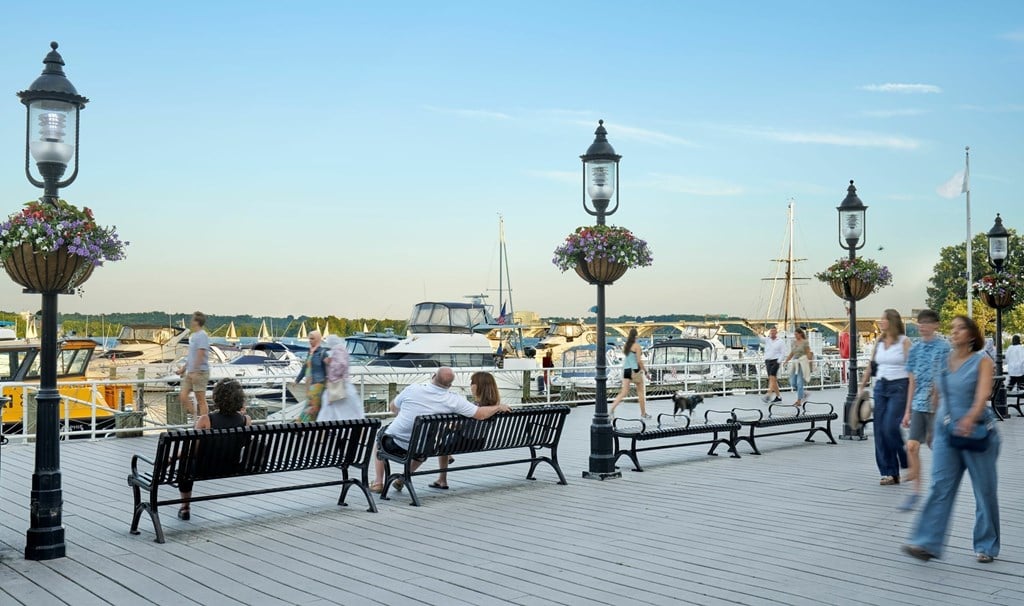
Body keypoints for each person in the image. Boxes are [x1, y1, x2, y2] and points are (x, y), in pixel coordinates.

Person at [903, 315, 1000, 563]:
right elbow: (937, 394)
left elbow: (982, 396)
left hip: (977, 433)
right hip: (946, 431)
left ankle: (986, 545)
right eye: (952, 328)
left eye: (960, 328)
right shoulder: (944, 361)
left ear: (971, 335)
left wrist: (970, 417)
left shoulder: (982, 363)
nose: (954, 332)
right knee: (940, 486)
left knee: (984, 491)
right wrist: (932, 430)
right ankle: (926, 542)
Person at [371, 367, 510, 493]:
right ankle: (403, 478)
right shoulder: (454, 400)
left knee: (380, 439)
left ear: (433, 376)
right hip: (421, 448)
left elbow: (393, 408)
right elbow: (479, 413)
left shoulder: (413, 389)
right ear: (450, 385)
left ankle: (378, 482)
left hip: (395, 444)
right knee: (424, 449)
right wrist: (498, 407)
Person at [177, 378, 252, 521]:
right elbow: (244, 443)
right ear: (239, 398)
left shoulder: (205, 420)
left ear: (216, 397)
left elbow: (192, 450)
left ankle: (185, 507)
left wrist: (172, 457)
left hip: (204, 469)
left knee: (185, 464)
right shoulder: (246, 420)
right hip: (233, 466)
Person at [899, 309, 950, 510]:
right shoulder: (915, 350)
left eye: (927, 322)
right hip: (919, 404)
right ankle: (916, 492)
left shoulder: (944, 348)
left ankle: (941, 487)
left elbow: (945, 378)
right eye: (920, 322)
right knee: (911, 446)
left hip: (938, 406)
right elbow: (911, 381)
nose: (922, 325)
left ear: (936, 325)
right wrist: (907, 411)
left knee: (936, 447)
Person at [860, 309, 911, 485]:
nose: (881, 321)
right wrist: (861, 386)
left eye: (884, 319)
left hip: (899, 386)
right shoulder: (879, 341)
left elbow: (912, 372)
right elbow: (871, 365)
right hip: (881, 387)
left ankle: (904, 458)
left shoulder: (904, 342)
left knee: (890, 426)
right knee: (880, 430)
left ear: (892, 321)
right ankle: (889, 472)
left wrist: (910, 403)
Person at [432, 371, 501, 489]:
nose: (470, 385)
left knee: (442, 435)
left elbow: (457, 427)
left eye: (472, 382)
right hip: (479, 443)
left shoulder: (474, 407)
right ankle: (448, 457)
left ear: (478, 386)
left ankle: (442, 479)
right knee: (445, 430)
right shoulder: (495, 406)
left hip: (463, 442)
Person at [317, 335, 363, 421]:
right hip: (342, 384)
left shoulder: (337, 350)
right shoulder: (342, 349)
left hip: (337, 385)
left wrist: (330, 363)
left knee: (329, 408)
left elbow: (341, 364)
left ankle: (324, 428)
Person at [177, 311, 211, 418]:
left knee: (200, 399)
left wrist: (196, 372)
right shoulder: (193, 336)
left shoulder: (202, 335)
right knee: (183, 396)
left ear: (197, 322)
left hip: (200, 372)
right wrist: (183, 368)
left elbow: (201, 354)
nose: (191, 321)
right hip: (190, 372)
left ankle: (204, 423)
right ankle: (196, 417)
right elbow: (192, 355)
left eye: (192, 319)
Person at [609, 328, 649, 418]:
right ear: (636, 336)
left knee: (624, 392)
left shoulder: (626, 346)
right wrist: (645, 371)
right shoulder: (637, 346)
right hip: (635, 371)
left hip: (626, 370)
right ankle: (643, 413)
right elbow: (639, 361)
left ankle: (612, 408)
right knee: (641, 393)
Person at [294, 330, 328, 422]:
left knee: (310, 408)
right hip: (311, 385)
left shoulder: (322, 353)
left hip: (318, 386)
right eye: (309, 339)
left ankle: (299, 425)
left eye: (312, 339)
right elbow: (305, 367)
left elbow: (328, 370)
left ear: (318, 339)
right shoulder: (310, 352)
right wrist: (297, 380)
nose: (310, 341)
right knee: (314, 410)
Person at [781, 328, 814, 407]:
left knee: (799, 382)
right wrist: (786, 361)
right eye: (794, 334)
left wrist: (811, 364)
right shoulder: (793, 342)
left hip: (802, 363)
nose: (795, 336)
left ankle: (799, 400)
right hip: (795, 363)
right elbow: (792, 353)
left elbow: (808, 353)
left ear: (800, 334)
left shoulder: (805, 342)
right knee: (792, 382)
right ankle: (803, 393)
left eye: (796, 334)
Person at [762, 327, 786, 403]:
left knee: (772, 377)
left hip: (776, 360)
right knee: (772, 379)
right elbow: (760, 338)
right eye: (771, 332)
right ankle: (778, 397)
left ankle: (768, 394)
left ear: (776, 333)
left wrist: (779, 361)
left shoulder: (780, 341)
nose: (772, 333)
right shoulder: (767, 340)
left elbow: (783, 352)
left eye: (773, 332)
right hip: (768, 361)